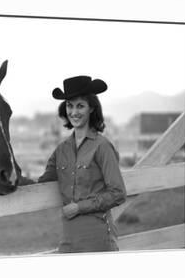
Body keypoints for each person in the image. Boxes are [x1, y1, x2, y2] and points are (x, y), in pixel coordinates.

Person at [38, 75, 126, 253]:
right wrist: (11, 178)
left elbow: (118, 193)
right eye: (70, 105)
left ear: (92, 108)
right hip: (68, 239)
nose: (74, 112)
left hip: (98, 237)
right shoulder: (61, 150)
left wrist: (79, 207)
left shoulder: (102, 146)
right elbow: (42, 182)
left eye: (80, 106)